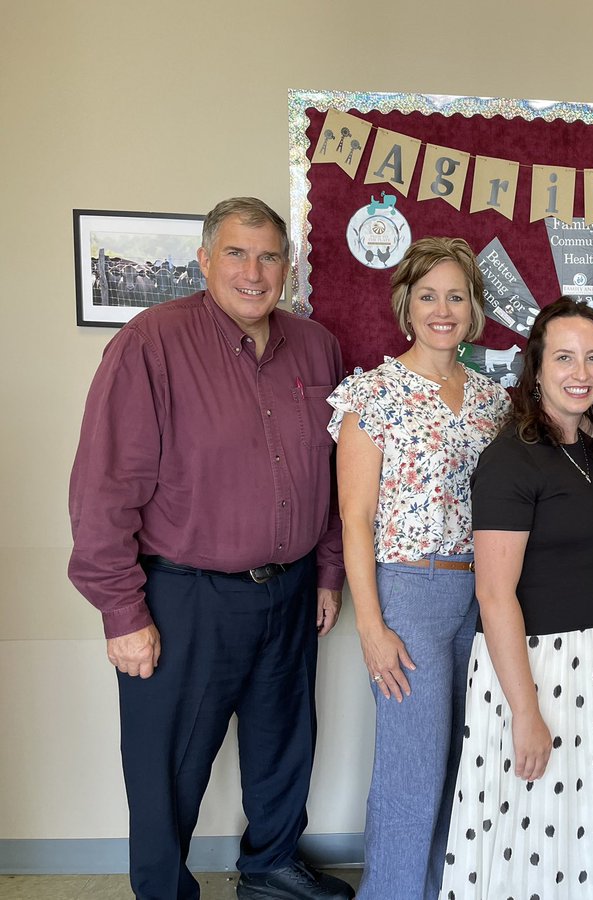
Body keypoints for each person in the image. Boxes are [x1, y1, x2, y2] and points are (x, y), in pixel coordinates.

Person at [68, 197, 354, 900]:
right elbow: (105, 488)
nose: (254, 273)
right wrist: (122, 614)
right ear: (203, 260)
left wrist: (326, 571)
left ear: (288, 266)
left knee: (284, 743)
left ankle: (271, 868)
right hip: (184, 596)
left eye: (269, 256)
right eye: (236, 253)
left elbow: (326, 468)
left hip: (288, 592)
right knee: (168, 762)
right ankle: (164, 890)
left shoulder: (315, 346)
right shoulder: (149, 344)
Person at [439, 297, 593, 899]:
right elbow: (494, 594)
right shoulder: (510, 459)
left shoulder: (591, 453)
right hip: (533, 667)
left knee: (584, 828)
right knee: (526, 829)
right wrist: (525, 711)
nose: (580, 372)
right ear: (536, 368)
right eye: (564, 358)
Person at [328, 238, 510, 900]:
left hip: (484, 596)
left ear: (474, 310)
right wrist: (372, 628)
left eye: (456, 296)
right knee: (412, 770)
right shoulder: (372, 395)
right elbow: (354, 519)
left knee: (466, 769)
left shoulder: (496, 403)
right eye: (429, 295)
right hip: (408, 590)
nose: (443, 309)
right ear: (407, 305)